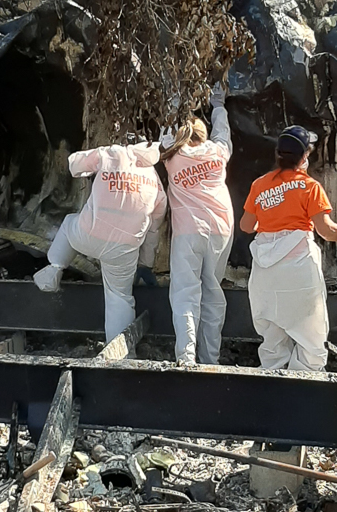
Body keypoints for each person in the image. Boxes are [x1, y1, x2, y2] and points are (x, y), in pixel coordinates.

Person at [239, 125, 337, 372]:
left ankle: (271, 382)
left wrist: (271, 215)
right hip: (298, 270)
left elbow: (246, 225)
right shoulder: (310, 187)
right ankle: (304, 387)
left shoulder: (259, 185)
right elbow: (326, 231)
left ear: (278, 153)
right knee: (312, 340)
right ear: (305, 156)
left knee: (273, 340)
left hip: (265, 273)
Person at [34, 140, 167, 342]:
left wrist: (98, 161)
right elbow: (154, 228)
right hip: (123, 250)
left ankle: (54, 269)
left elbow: (74, 165)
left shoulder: (111, 154)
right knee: (119, 297)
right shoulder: (153, 179)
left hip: (89, 235)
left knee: (69, 223)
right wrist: (145, 263)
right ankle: (119, 350)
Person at [159, 84, 234, 365]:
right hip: (221, 228)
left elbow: (165, 131)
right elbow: (223, 133)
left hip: (188, 232)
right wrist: (219, 105)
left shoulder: (172, 155)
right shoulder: (217, 152)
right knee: (213, 292)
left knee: (185, 293)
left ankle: (187, 356)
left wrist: (175, 101)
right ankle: (210, 359)